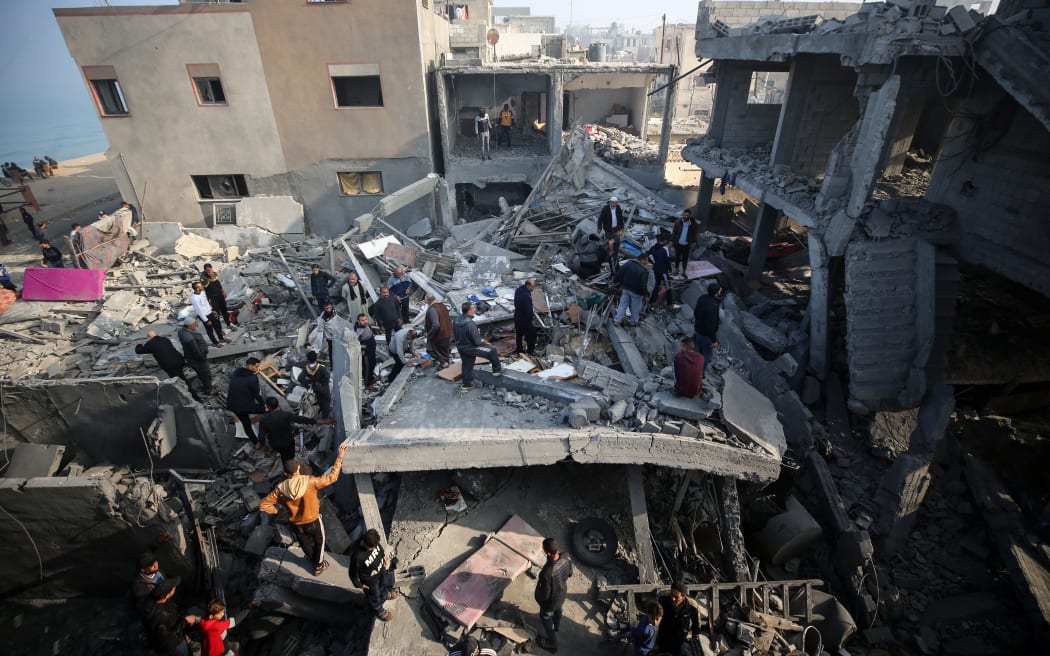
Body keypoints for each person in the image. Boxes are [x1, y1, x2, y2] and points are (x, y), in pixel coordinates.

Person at [259, 445, 347, 576]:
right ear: (298, 469)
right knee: (320, 541)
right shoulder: (310, 482)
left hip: (296, 524)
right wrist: (340, 457)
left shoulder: (280, 490)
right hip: (313, 520)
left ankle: (314, 561)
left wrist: (279, 512)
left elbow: (263, 505)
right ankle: (319, 565)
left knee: (304, 543)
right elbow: (332, 477)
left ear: (285, 473)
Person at [256, 396, 335, 462]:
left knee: (284, 458)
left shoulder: (264, 419)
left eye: (266, 406)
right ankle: (290, 468)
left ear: (269, 407)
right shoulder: (286, 415)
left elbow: (261, 436)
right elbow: (303, 420)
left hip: (275, 445)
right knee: (290, 458)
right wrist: (323, 421)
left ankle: (286, 467)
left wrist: (261, 445)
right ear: (277, 404)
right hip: (288, 443)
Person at [136, 330, 200, 401]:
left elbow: (139, 351)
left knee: (180, 381)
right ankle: (191, 395)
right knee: (181, 377)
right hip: (178, 360)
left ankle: (193, 398)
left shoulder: (150, 343)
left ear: (148, 337)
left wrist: (139, 345)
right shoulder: (165, 339)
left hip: (169, 365)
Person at [349, 528, 397, 622]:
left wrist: (383, 555)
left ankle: (384, 594)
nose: (375, 548)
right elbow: (352, 573)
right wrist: (359, 584)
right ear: (366, 545)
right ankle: (379, 610)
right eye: (373, 548)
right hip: (370, 580)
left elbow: (379, 547)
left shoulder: (373, 541)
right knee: (374, 595)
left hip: (380, 570)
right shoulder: (358, 557)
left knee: (383, 584)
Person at [534, 537, 573, 652]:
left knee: (545, 617)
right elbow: (570, 573)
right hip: (562, 593)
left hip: (551, 602)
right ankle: (556, 626)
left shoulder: (546, 572)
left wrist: (538, 598)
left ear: (548, 553)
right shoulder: (566, 556)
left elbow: (545, 595)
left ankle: (552, 643)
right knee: (559, 611)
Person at [453, 301, 502, 391]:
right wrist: (484, 341)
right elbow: (477, 341)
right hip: (471, 348)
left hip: (461, 347)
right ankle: (497, 371)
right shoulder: (470, 324)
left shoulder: (456, 320)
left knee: (466, 366)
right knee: (492, 350)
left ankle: (466, 385)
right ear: (468, 311)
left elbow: (455, 335)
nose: (475, 310)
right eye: (473, 309)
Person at [140, 577, 195, 656]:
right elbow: (168, 638)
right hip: (172, 644)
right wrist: (185, 621)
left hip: (154, 640)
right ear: (166, 595)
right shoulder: (164, 615)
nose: (174, 588)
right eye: (172, 588)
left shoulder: (150, 601)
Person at [656, 581, 702, 656]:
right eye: (671, 595)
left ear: (684, 596)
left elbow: (696, 624)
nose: (673, 599)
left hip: (681, 640)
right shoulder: (663, 600)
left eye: (676, 597)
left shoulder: (692, 605)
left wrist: (695, 640)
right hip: (664, 639)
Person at [227, 357, 264, 442]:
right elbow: (257, 395)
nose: (257, 369)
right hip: (245, 407)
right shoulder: (253, 378)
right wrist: (264, 405)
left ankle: (256, 443)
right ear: (250, 366)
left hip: (232, 406)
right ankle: (262, 436)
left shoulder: (237, 372)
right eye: (256, 366)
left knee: (246, 424)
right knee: (269, 410)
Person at [178, 317, 215, 395]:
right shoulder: (189, 337)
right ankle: (209, 390)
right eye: (195, 323)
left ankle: (205, 385)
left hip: (191, 359)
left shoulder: (182, 331)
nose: (197, 324)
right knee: (205, 374)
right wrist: (202, 358)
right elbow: (195, 351)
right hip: (198, 360)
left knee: (201, 374)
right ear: (190, 325)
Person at [612, 253, 652, 327]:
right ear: (643, 260)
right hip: (636, 293)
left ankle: (617, 321)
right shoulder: (644, 271)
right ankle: (633, 322)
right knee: (635, 308)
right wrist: (646, 294)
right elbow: (643, 285)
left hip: (626, 288)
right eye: (647, 260)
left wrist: (614, 281)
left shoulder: (628, 263)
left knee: (622, 305)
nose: (647, 262)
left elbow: (620, 273)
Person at [692, 282, 720, 374]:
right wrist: (714, 340)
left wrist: (699, 322)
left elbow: (696, 312)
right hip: (706, 335)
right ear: (716, 292)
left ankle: (692, 367)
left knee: (697, 349)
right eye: (719, 290)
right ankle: (699, 374)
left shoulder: (702, 297)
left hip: (698, 330)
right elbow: (710, 326)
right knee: (706, 357)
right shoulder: (713, 305)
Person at [191, 281, 228, 347]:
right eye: (200, 286)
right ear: (196, 289)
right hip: (204, 315)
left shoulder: (202, 292)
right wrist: (206, 320)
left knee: (217, 326)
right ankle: (215, 343)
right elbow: (199, 310)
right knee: (210, 330)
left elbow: (207, 303)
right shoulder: (194, 298)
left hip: (210, 312)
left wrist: (212, 310)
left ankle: (221, 338)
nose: (202, 286)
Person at [297, 351, 333, 418]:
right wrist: (321, 382)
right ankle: (325, 417)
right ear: (316, 358)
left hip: (314, 387)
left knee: (319, 399)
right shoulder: (321, 368)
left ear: (308, 359)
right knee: (326, 400)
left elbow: (300, 378)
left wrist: (308, 384)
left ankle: (322, 411)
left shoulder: (306, 368)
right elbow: (327, 377)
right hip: (323, 387)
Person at [200, 263, 236, 330]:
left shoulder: (214, 273)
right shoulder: (203, 277)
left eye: (210, 270)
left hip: (219, 295)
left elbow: (217, 282)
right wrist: (211, 276)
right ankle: (220, 329)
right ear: (205, 270)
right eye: (207, 271)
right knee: (216, 314)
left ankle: (228, 324)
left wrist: (223, 291)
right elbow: (207, 283)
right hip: (212, 297)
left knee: (224, 310)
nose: (209, 272)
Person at [424, 295, 453, 368]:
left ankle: (443, 363)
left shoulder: (432, 309)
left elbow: (436, 325)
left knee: (430, 349)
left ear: (428, 300)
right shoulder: (442, 305)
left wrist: (429, 335)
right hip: (447, 332)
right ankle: (446, 367)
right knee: (445, 352)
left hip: (439, 335)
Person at [671, 209, 698, 279]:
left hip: (686, 244)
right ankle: (676, 270)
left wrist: (694, 242)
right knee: (677, 257)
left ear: (690, 216)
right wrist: (672, 241)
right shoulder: (678, 222)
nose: (685, 216)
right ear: (682, 215)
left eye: (687, 215)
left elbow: (694, 234)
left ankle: (684, 272)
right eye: (684, 215)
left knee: (685, 258)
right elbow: (674, 232)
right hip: (678, 244)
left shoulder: (693, 224)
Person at [514, 279, 537, 355]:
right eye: (533, 287)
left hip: (517, 315)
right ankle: (530, 351)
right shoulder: (526, 295)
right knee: (532, 335)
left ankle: (519, 350)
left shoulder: (519, 290)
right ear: (528, 285)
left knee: (519, 334)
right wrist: (531, 319)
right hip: (524, 318)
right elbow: (528, 310)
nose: (533, 289)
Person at [648, 233, 672, 306]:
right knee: (668, 286)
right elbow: (667, 261)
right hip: (663, 271)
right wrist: (670, 269)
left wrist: (653, 263)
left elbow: (648, 255)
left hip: (655, 270)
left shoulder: (652, 248)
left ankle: (652, 301)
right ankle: (670, 304)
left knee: (656, 285)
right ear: (664, 241)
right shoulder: (664, 249)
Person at [355, 313, 378, 386]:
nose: (365, 321)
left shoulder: (365, 325)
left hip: (371, 349)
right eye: (362, 320)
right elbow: (355, 343)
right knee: (367, 367)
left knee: (373, 364)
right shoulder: (358, 331)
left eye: (366, 319)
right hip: (366, 352)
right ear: (358, 321)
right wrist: (363, 350)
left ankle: (371, 378)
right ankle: (367, 384)